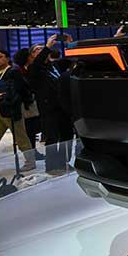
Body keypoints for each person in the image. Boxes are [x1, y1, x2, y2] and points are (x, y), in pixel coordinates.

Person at [27, 34, 74, 174]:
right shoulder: (34, 69)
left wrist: (70, 44)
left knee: (67, 135)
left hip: (63, 106)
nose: (41, 50)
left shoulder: (54, 66)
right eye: (37, 49)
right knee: (52, 137)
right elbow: (37, 64)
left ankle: (64, 163)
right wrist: (47, 47)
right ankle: (52, 166)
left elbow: (71, 59)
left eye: (42, 49)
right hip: (48, 108)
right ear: (32, 55)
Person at [0, 49, 36, 171]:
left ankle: (30, 162)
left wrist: (7, 96)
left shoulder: (13, 72)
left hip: (12, 110)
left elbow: (22, 89)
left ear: (7, 58)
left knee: (21, 137)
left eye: (0, 56)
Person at [13, 48, 45, 160]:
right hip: (24, 104)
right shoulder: (18, 70)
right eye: (31, 56)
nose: (32, 57)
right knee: (29, 130)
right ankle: (31, 154)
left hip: (31, 104)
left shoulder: (28, 68)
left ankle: (33, 152)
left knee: (32, 130)